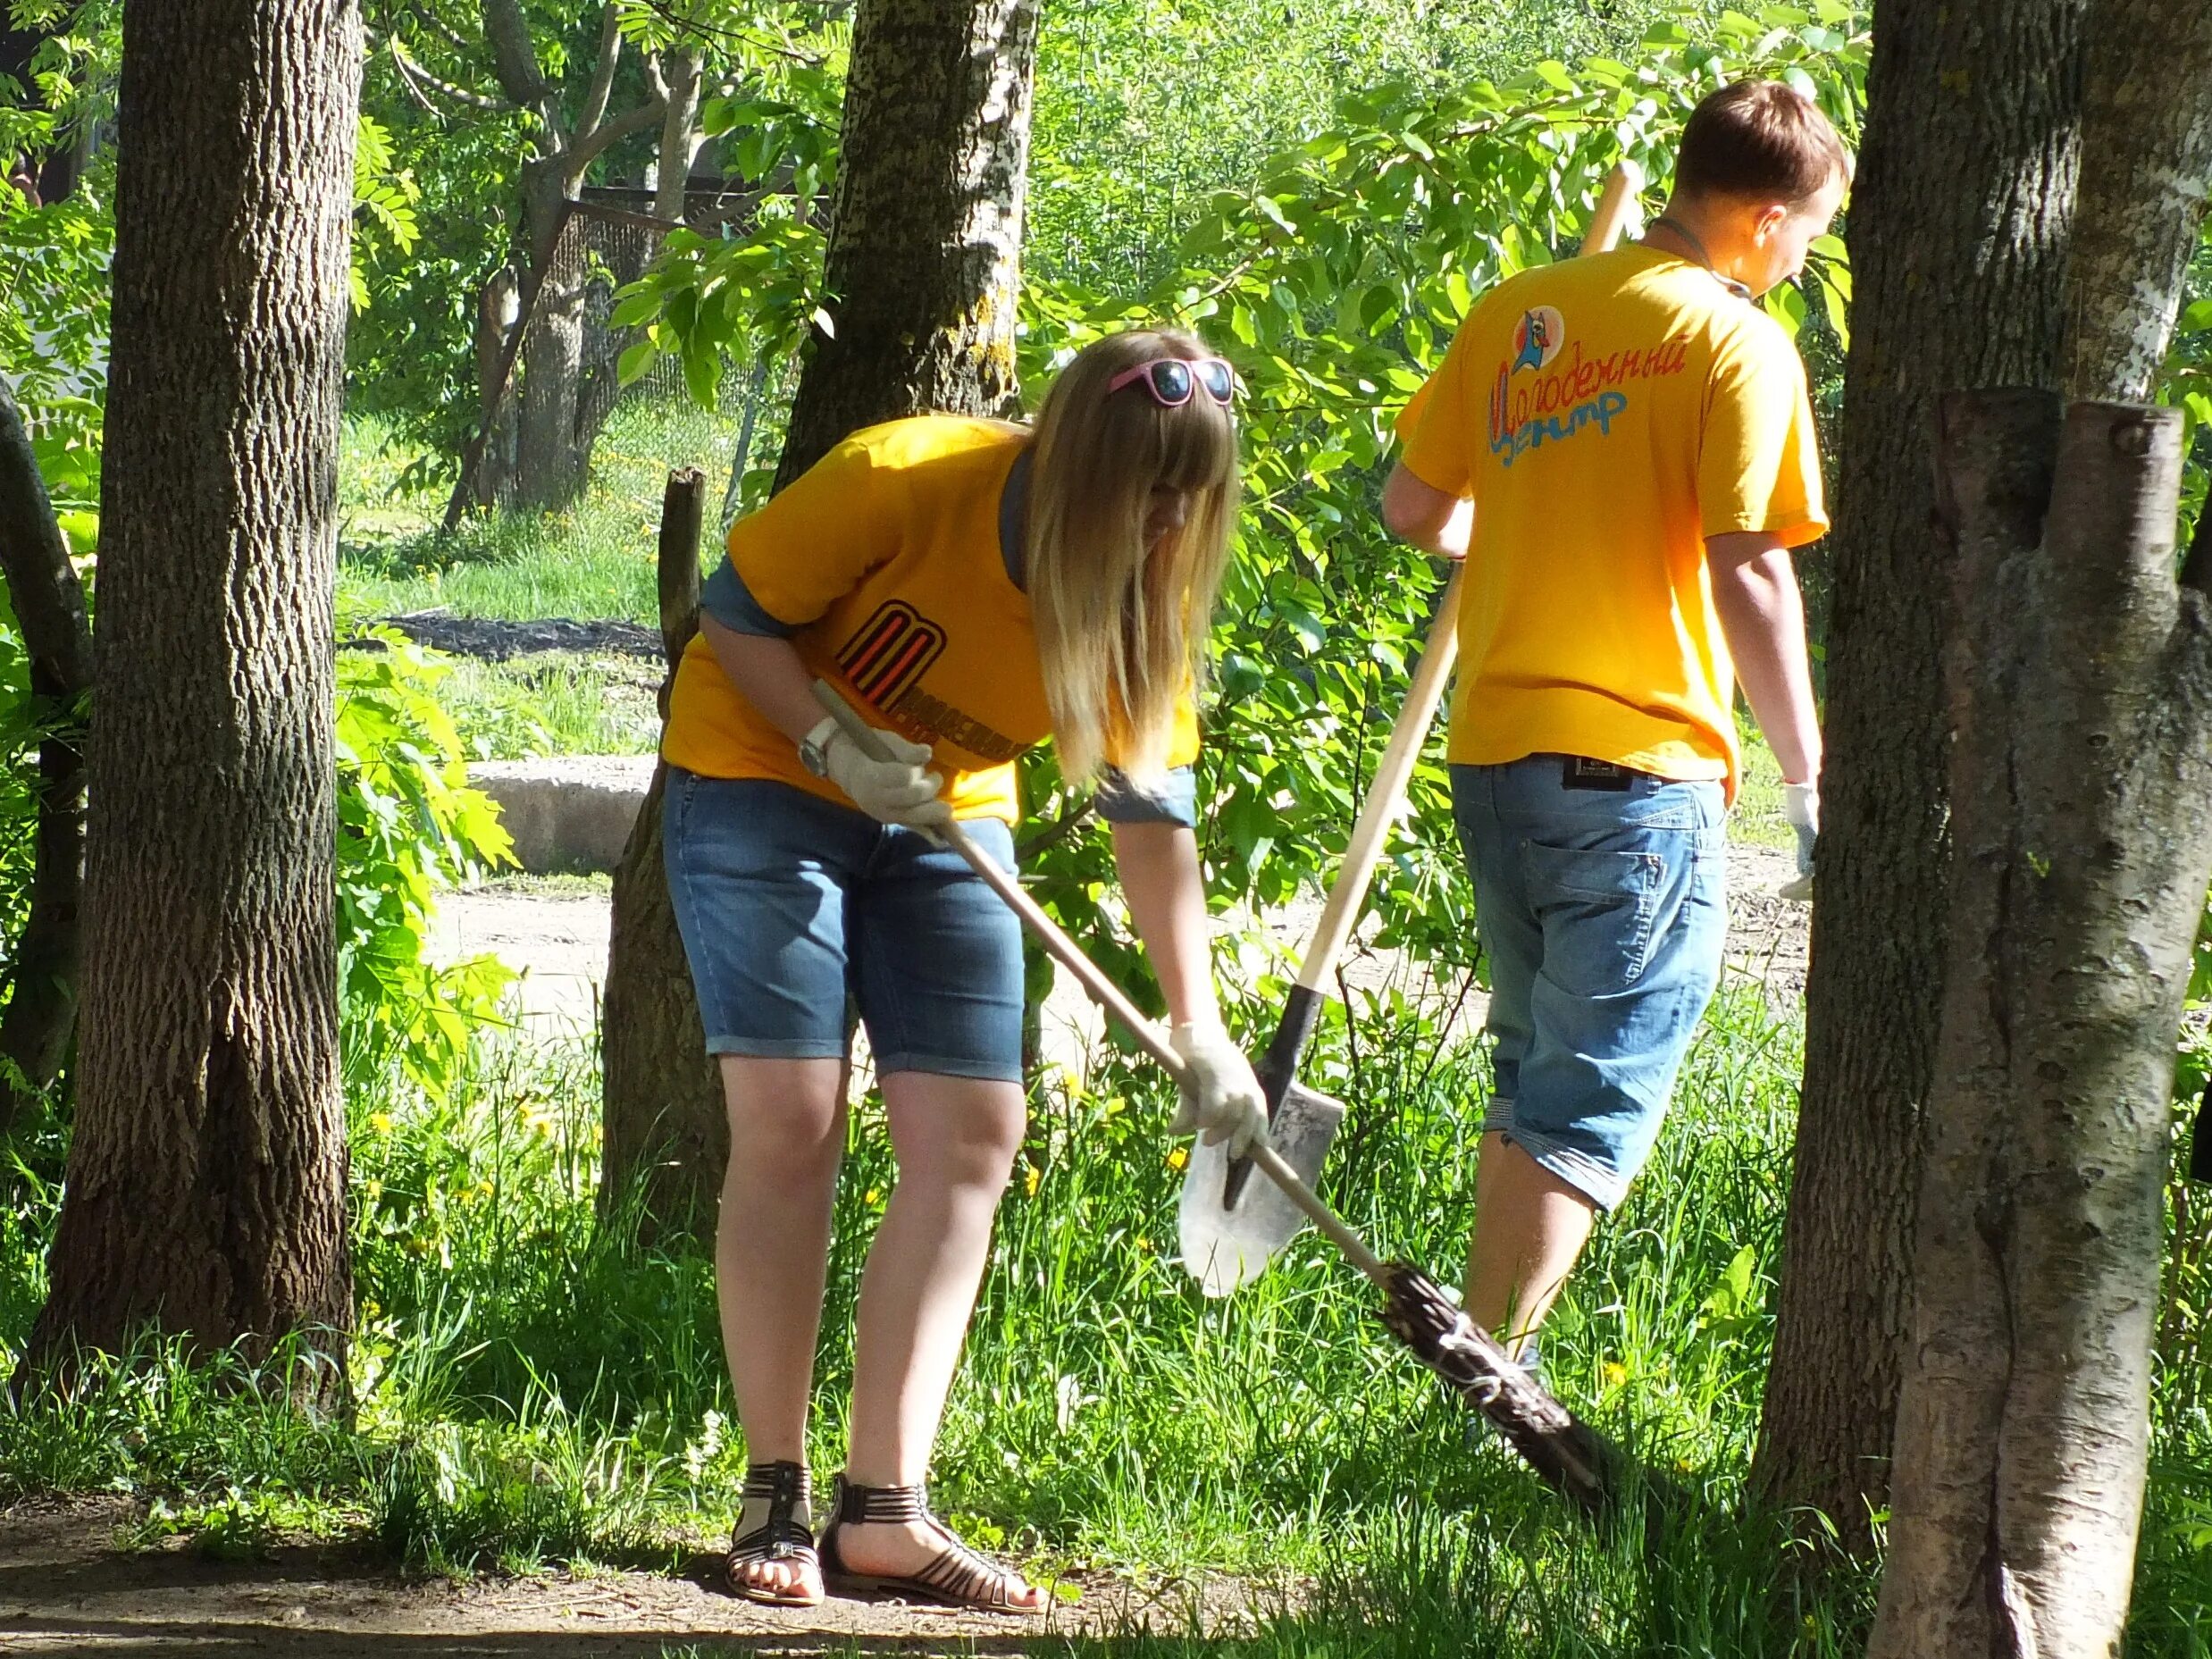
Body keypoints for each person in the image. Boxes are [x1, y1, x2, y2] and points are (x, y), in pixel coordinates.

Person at [660, 329, 1269, 1611]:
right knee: (793, 1118)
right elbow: (736, 611)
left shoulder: (1145, 598)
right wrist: (829, 737)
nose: (1167, 518)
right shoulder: (904, 476)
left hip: (944, 811)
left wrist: (1200, 1025)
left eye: (1189, 493)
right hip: (760, 771)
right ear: (1072, 461)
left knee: (977, 1133)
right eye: (1149, 485)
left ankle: (883, 1509)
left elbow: (1152, 823)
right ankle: (772, 1487)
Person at [1379, 80, 1846, 1378]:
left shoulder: (1523, 312)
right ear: (1761, 218)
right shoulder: (1737, 343)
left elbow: (1414, 506)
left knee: (1532, 1068)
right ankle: (1495, 1381)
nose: (1803, 259)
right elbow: (1751, 567)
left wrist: (1525, 523)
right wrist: (1807, 784)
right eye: (1808, 232)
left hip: (1497, 754)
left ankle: (1469, 1361)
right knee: (1593, 1087)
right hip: (1637, 768)